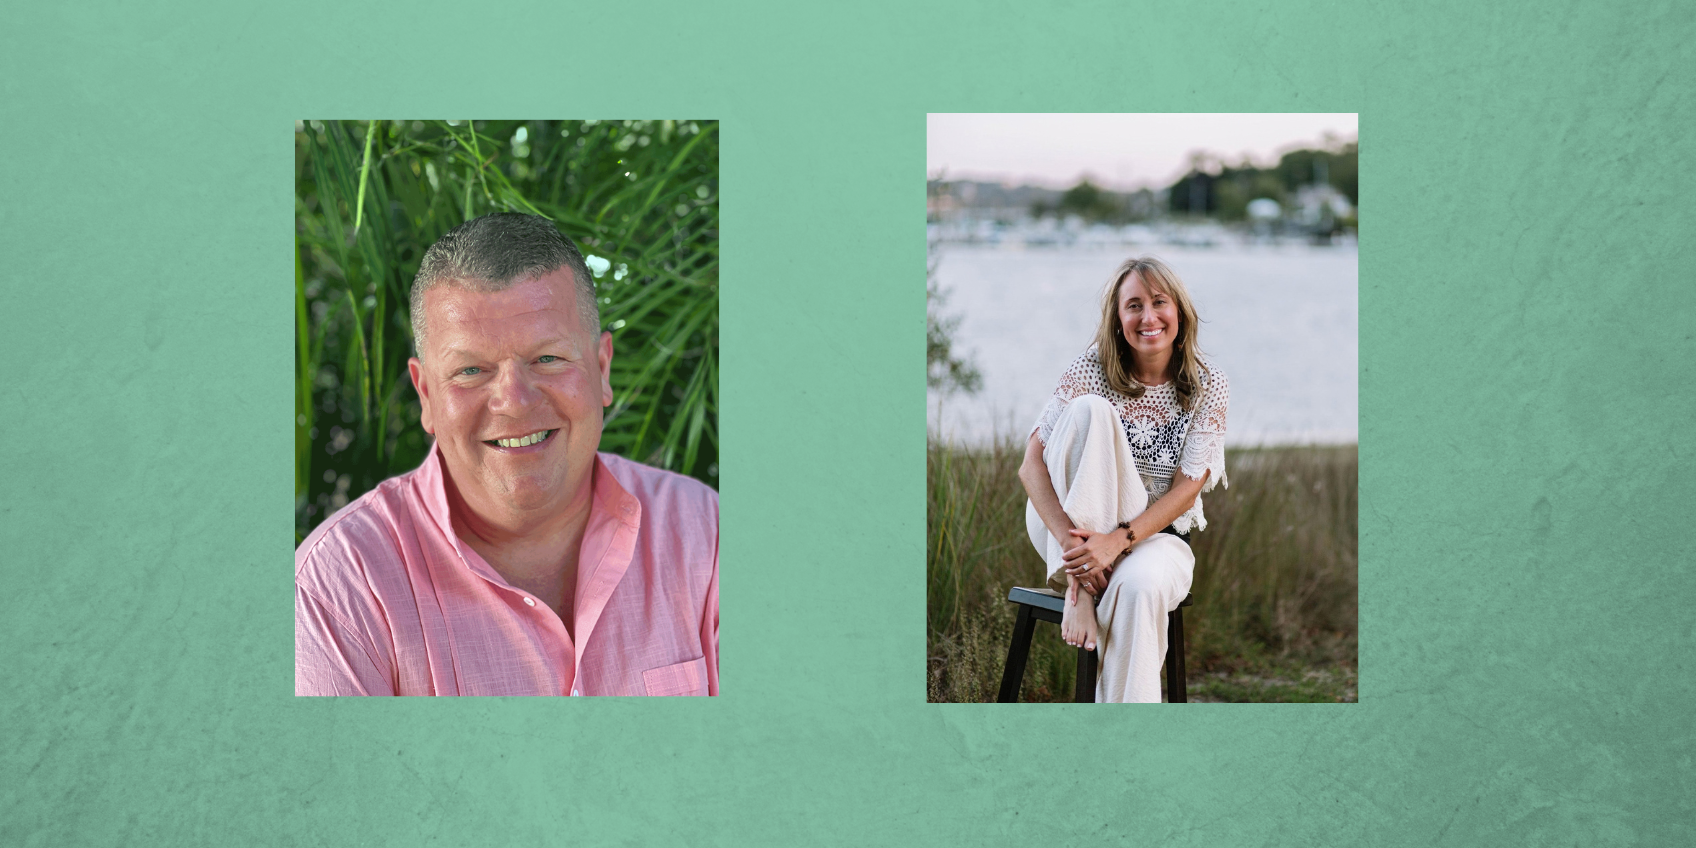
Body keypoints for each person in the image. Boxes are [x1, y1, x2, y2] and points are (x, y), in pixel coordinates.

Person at [295, 213, 718, 696]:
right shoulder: (337, 590)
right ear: (427, 393)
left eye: (548, 359)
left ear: (601, 369)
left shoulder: (706, 534)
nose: (515, 400)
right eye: (471, 369)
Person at [1018, 257, 1228, 703]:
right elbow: (1030, 467)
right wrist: (1078, 554)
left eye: (1158, 302)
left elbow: (1188, 488)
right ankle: (1079, 590)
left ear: (1180, 311)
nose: (1148, 317)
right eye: (1133, 305)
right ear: (1118, 318)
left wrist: (1116, 542)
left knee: (1141, 587)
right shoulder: (1092, 366)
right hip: (1062, 528)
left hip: (1153, 537)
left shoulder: (1209, 385)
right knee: (1093, 411)